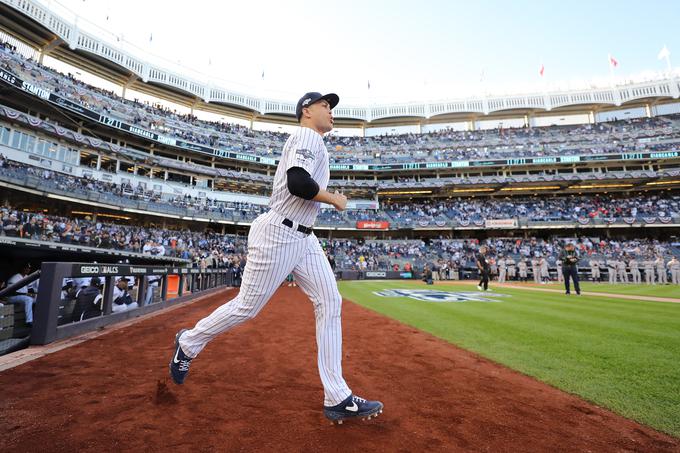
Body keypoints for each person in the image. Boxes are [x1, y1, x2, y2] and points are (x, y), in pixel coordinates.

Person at [168, 92, 383, 424]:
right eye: (325, 105)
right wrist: (333, 199)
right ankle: (189, 341)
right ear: (306, 111)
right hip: (279, 233)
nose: (330, 110)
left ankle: (337, 397)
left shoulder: (314, 140)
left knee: (330, 301)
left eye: (331, 106)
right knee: (247, 307)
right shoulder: (305, 135)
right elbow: (297, 183)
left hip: (304, 237)